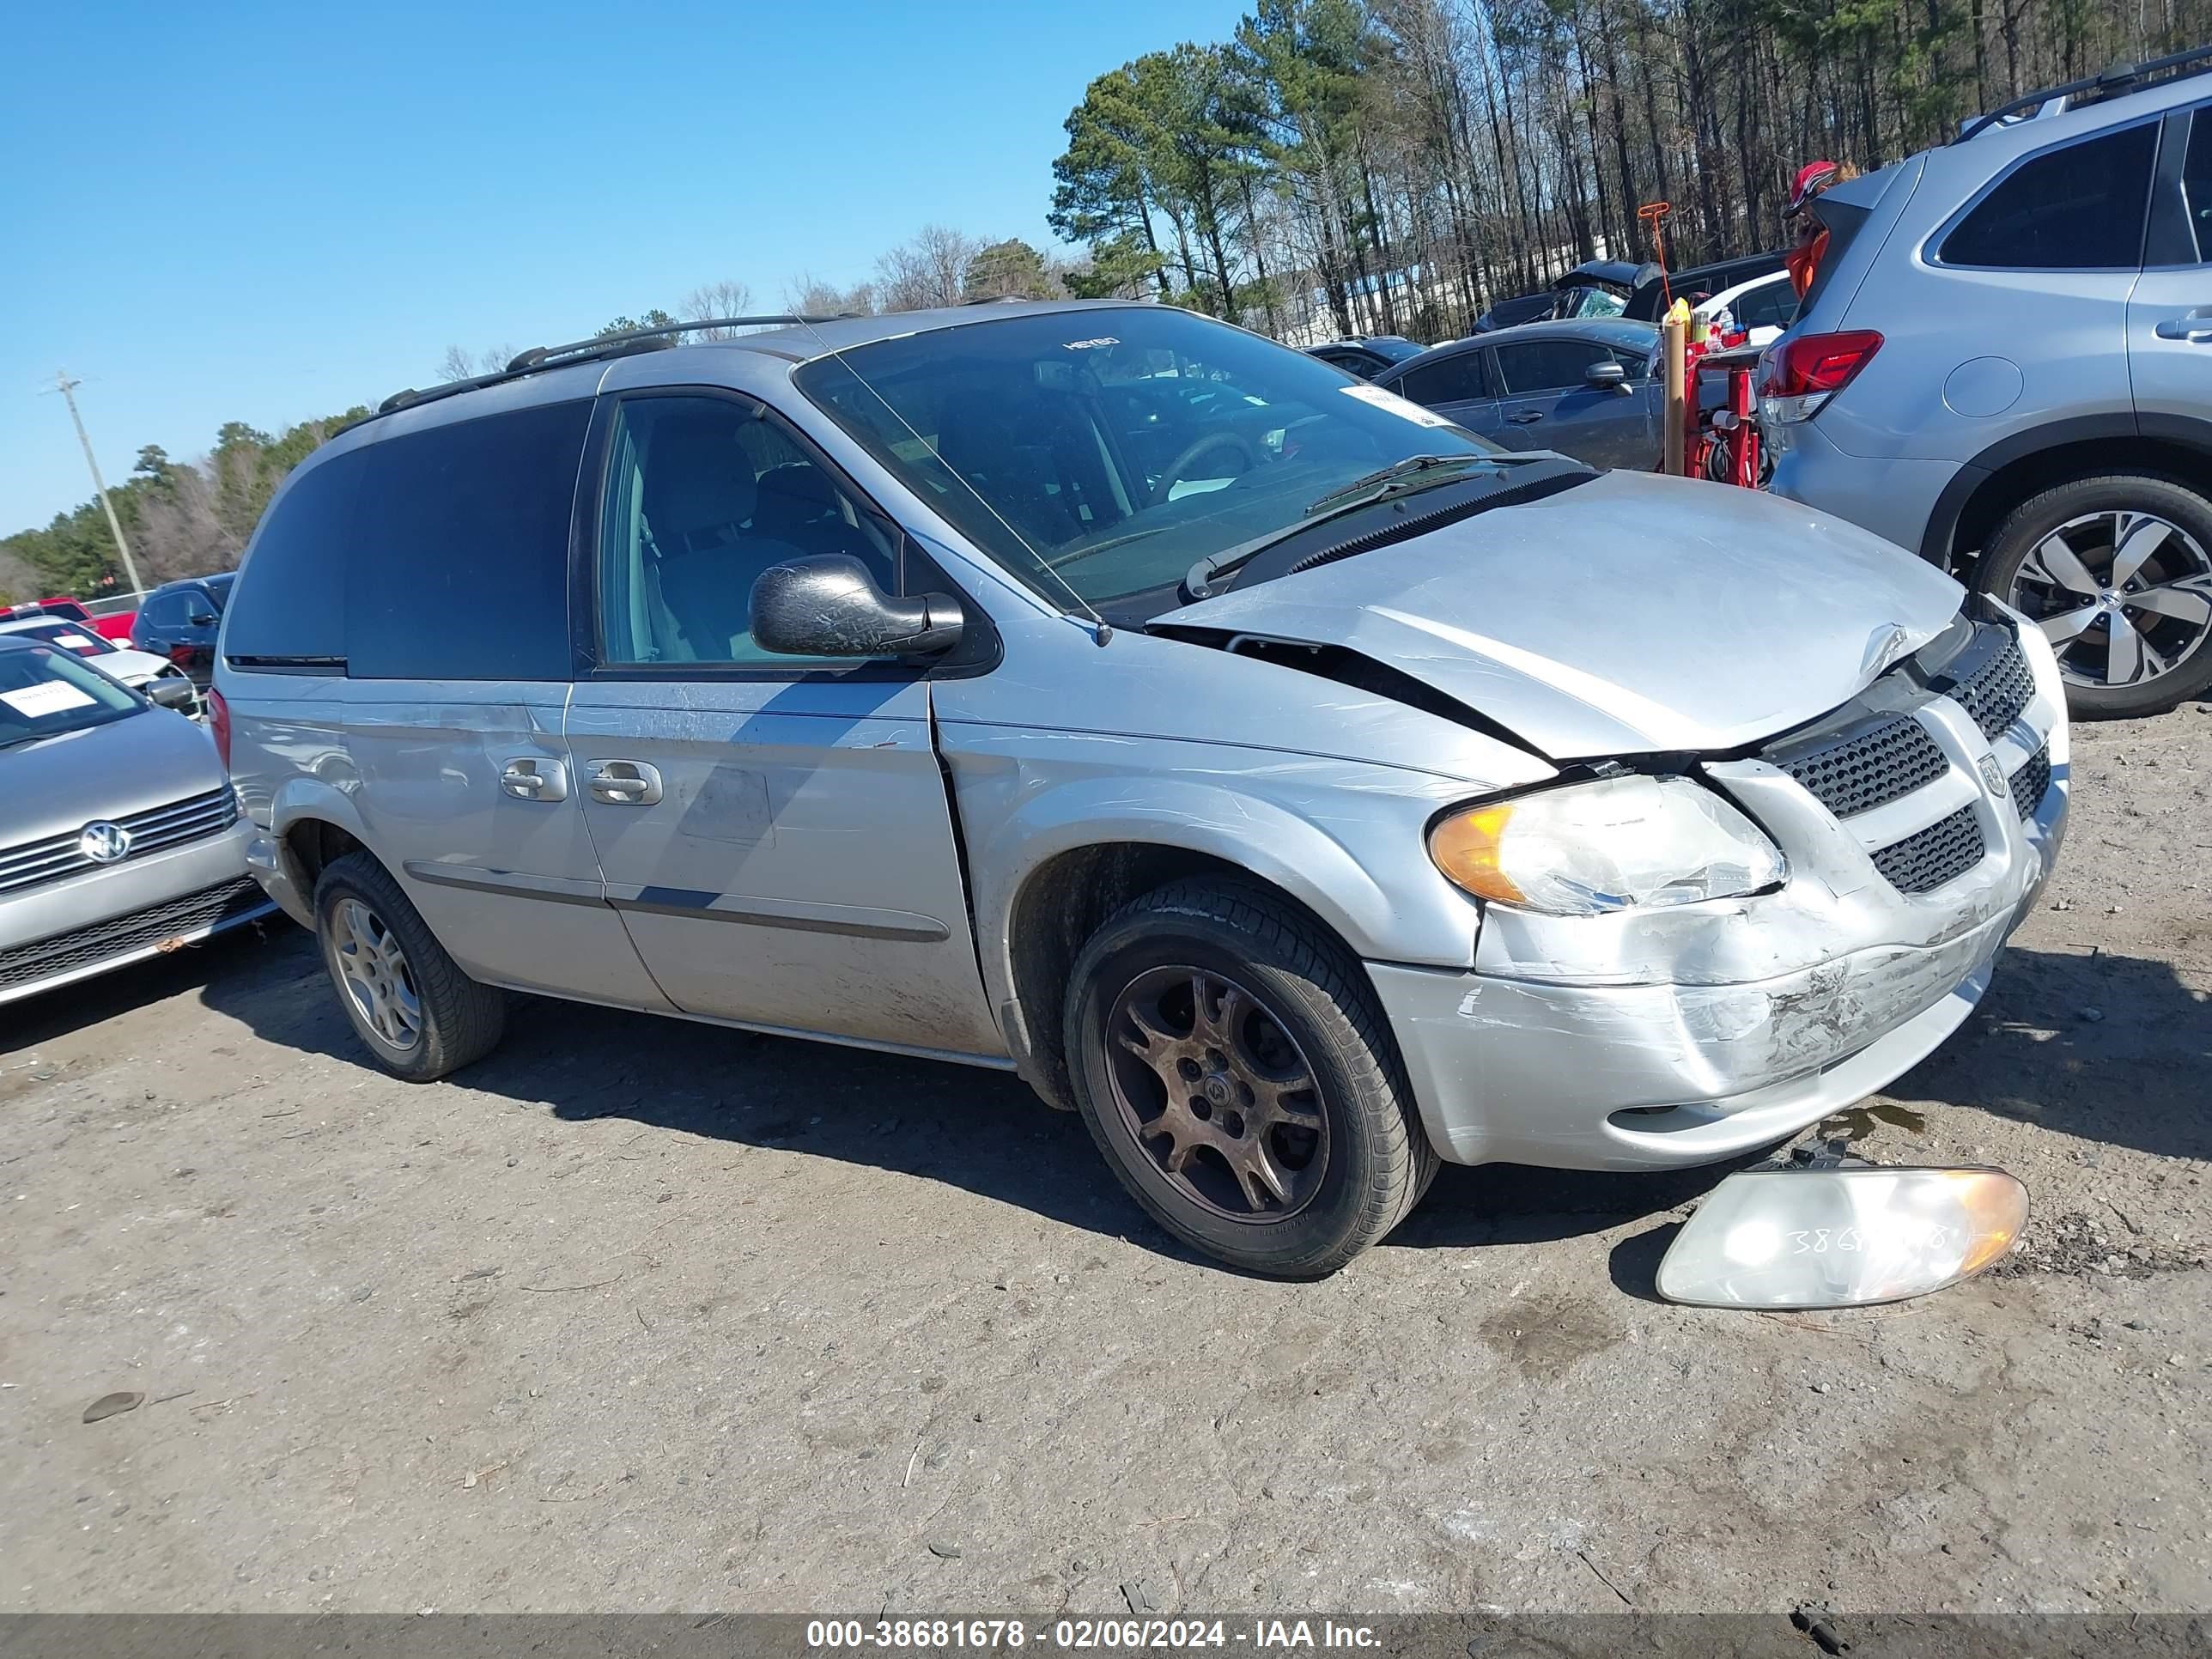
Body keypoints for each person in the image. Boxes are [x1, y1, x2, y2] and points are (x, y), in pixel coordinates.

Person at [1784, 160, 1857, 299]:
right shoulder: (1866, 218)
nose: (1805, 218)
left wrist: (1803, 253)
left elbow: (1812, 296)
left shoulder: (1830, 238)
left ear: (1823, 194)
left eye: (1806, 209)